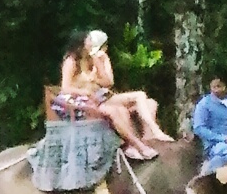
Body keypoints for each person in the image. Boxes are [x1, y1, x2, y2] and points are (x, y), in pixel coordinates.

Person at [53, 29, 172, 161]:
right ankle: (139, 145)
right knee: (115, 111)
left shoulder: (93, 58)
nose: (91, 43)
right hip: (81, 102)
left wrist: (99, 69)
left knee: (135, 105)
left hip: (98, 97)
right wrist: (84, 92)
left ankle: (146, 137)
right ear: (80, 44)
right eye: (89, 40)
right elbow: (65, 88)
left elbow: (107, 82)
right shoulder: (71, 61)